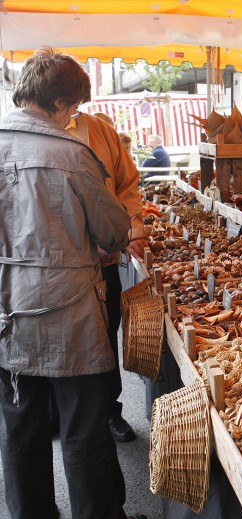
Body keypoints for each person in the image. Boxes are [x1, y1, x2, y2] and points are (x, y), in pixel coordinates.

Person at [0, 47, 146, 519]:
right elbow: (113, 231)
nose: (73, 117)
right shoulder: (72, 153)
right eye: (74, 107)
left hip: (7, 309)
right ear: (61, 103)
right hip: (69, 309)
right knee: (83, 424)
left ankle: (31, 517)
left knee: (20, 424)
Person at [65, 110, 148, 443]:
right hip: (58, 264)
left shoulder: (99, 130)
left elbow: (127, 184)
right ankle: (62, 415)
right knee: (62, 341)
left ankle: (110, 411)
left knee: (105, 335)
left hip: (104, 259)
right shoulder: (26, 133)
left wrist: (133, 229)